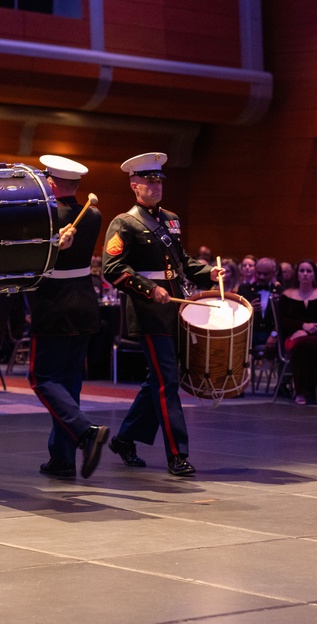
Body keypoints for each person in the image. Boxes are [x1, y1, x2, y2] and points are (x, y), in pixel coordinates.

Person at [102, 152, 222, 476]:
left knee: (159, 379)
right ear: (134, 185)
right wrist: (147, 289)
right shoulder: (124, 222)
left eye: (159, 181)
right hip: (148, 311)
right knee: (166, 381)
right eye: (148, 181)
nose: (156, 186)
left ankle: (125, 438)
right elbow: (113, 269)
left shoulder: (170, 218)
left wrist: (208, 273)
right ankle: (177, 454)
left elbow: (180, 261)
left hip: (175, 308)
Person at [29, 154, 109, 480]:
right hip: (85, 304)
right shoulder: (93, 214)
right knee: (69, 384)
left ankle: (86, 431)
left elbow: (32, 257)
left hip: (54, 306)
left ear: (51, 182)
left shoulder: (45, 216)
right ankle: (62, 458)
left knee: (42, 378)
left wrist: (50, 242)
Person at [278, 260, 317, 406]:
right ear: (297, 274)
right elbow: (284, 321)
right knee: (300, 346)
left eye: (309, 271)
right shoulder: (287, 294)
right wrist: (302, 326)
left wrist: (307, 331)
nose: (305, 274)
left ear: (315, 274)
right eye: (302, 271)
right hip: (296, 334)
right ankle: (301, 391)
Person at [238, 256, 282, 348]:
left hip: (272, 334)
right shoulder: (244, 290)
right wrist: (249, 310)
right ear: (255, 271)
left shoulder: (280, 291)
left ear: (273, 273)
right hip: (250, 335)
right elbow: (237, 316)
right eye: (259, 273)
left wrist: (274, 334)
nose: (261, 277)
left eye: (265, 274)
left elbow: (282, 318)